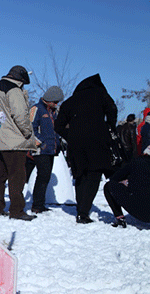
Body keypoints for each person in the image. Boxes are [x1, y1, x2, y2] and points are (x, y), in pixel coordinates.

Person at [55, 74, 118, 224]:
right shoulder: (100, 94)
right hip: (98, 141)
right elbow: (112, 109)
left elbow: (58, 125)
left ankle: (80, 210)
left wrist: (70, 135)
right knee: (94, 174)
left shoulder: (71, 101)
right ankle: (84, 212)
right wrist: (109, 126)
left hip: (76, 143)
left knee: (80, 174)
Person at [0, 65, 37, 221]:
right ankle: (16, 210)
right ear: (22, 80)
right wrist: (28, 132)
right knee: (17, 176)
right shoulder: (14, 90)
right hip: (14, 140)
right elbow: (20, 114)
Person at [25, 86, 65, 213]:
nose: (56, 104)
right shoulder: (37, 109)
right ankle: (37, 205)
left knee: (45, 177)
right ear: (50, 99)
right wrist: (39, 142)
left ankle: (39, 204)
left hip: (51, 149)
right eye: (55, 101)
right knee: (42, 176)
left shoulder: (53, 112)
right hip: (40, 149)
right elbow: (31, 128)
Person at [103, 143, 150, 228]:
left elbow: (114, 178)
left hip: (139, 210)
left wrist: (126, 182)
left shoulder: (136, 163)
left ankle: (120, 218)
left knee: (108, 186)